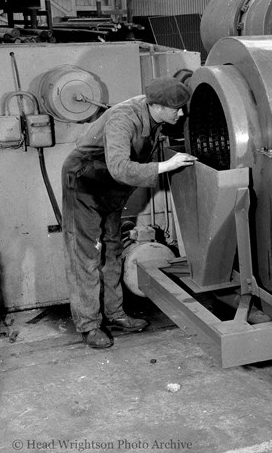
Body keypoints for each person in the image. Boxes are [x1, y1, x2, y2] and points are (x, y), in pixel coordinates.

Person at [61, 76, 198, 349]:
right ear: (157, 106)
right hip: (85, 183)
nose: (182, 113)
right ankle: (89, 326)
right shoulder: (124, 118)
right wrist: (165, 166)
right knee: (87, 255)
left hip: (110, 188)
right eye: (177, 108)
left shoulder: (156, 117)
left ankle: (115, 314)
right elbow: (121, 167)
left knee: (112, 250)